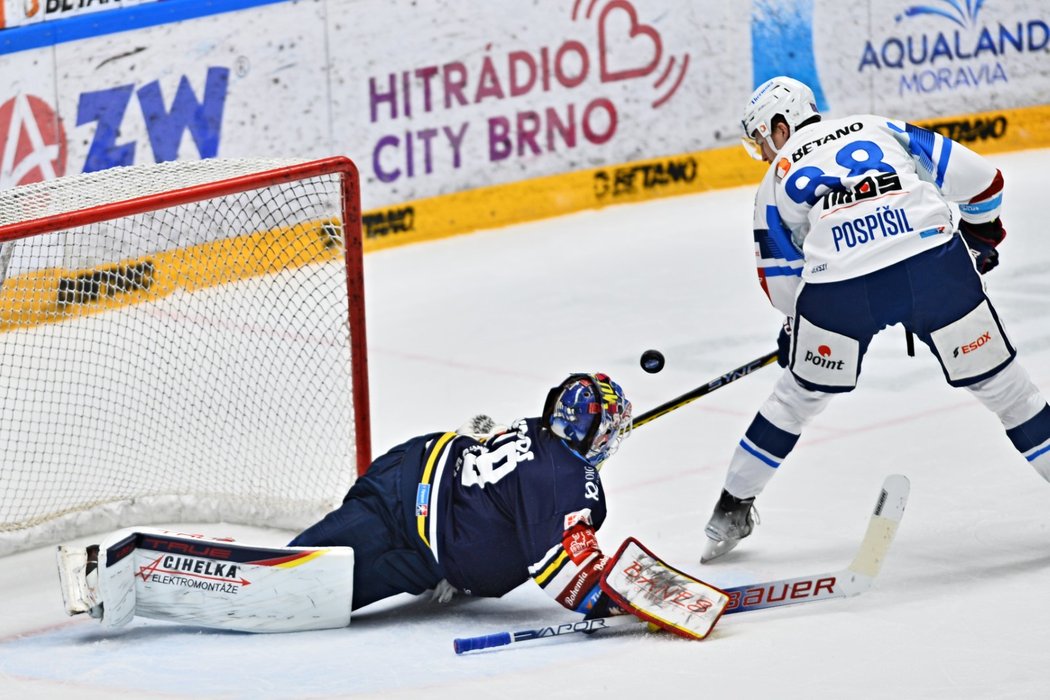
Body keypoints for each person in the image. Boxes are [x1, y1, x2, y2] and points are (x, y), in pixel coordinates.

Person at [700, 76, 1050, 562]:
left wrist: (796, 328)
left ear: (780, 126)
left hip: (842, 291)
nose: (762, 152)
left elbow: (782, 285)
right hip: (933, 266)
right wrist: (982, 233)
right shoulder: (877, 126)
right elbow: (984, 181)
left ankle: (730, 511)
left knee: (795, 400)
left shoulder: (774, 179)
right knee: (1010, 393)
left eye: (761, 138)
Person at [60, 373, 643, 630]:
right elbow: (572, 580)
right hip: (397, 511)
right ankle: (114, 574)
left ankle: (135, 582)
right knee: (280, 585)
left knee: (294, 592)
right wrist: (624, 602)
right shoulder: (572, 481)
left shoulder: (536, 432)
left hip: (416, 531)